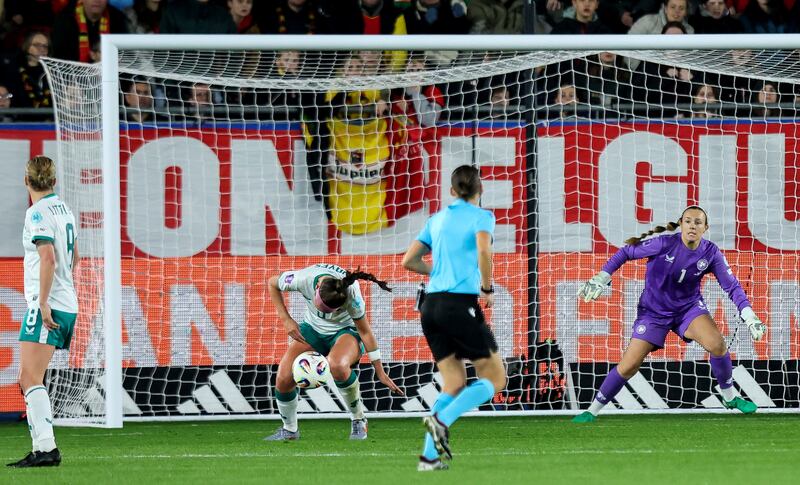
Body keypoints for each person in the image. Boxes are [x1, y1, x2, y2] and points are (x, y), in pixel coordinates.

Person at [572, 206, 766, 423]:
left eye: (698, 222)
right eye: (689, 221)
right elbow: (626, 252)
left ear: (705, 228)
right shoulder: (663, 244)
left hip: (688, 309)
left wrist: (749, 316)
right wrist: (602, 276)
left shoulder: (710, 253)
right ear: (681, 224)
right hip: (653, 312)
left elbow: (732, 286)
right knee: (629, 365)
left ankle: (730, 397)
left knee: (717, 345)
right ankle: (592, 410)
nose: (693, 226)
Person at [402, 165, 507, 471]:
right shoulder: (482, 217)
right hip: (458, 305)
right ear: (481, 190)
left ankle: (428, 458)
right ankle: (441, 420)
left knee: (454, 383)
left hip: (430, 306)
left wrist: (438, 272)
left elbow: (409, 261)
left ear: (451, 191)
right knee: (496, 378)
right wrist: (486, 288)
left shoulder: (436, 219)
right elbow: (484, 252)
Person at [264, 264, 403, 441]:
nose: (328, 314)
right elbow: (272, 283)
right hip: (312, 329)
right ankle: (290, 430)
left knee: (337, 365)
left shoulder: (352, 295)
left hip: (346, 331)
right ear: (316, 288)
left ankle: (359, 419)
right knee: (283, 377)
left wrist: (380, 372)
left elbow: (366, 332)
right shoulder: (303, 278)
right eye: (323, 309)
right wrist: (286, 319)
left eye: (334, 311)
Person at [7, 156, 79, 468]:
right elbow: (75, 256)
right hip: (67, 301)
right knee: (31, 376)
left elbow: (48, 258)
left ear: (27, 182)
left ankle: (46, 449)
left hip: (48, 304)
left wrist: (44, 300)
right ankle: (41, 448)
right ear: (53, 181)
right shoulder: (63, 210)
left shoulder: (36, 213)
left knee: (28, 376)